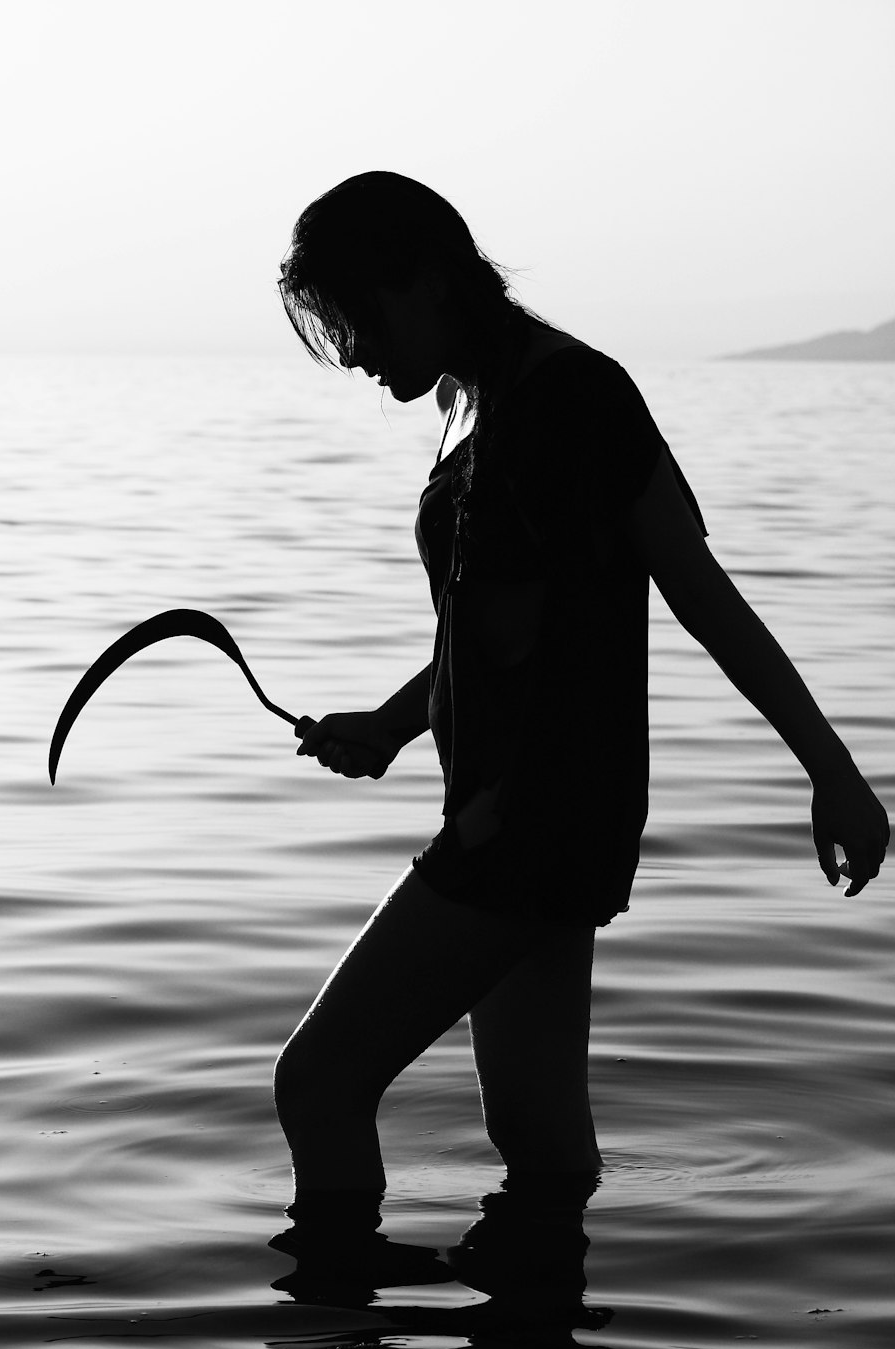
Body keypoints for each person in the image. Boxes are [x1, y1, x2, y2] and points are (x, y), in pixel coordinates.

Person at [269, 171, 889, 1272]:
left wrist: (833, 775)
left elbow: (697, 591)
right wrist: (398, 723)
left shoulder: (573, 397)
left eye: (354, 321)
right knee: (542, 1145)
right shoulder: (488, 399)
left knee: (319, 1082)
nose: (354, 355)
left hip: (528, 821)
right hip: (534, 816)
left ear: (422, 280)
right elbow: (507, 627)